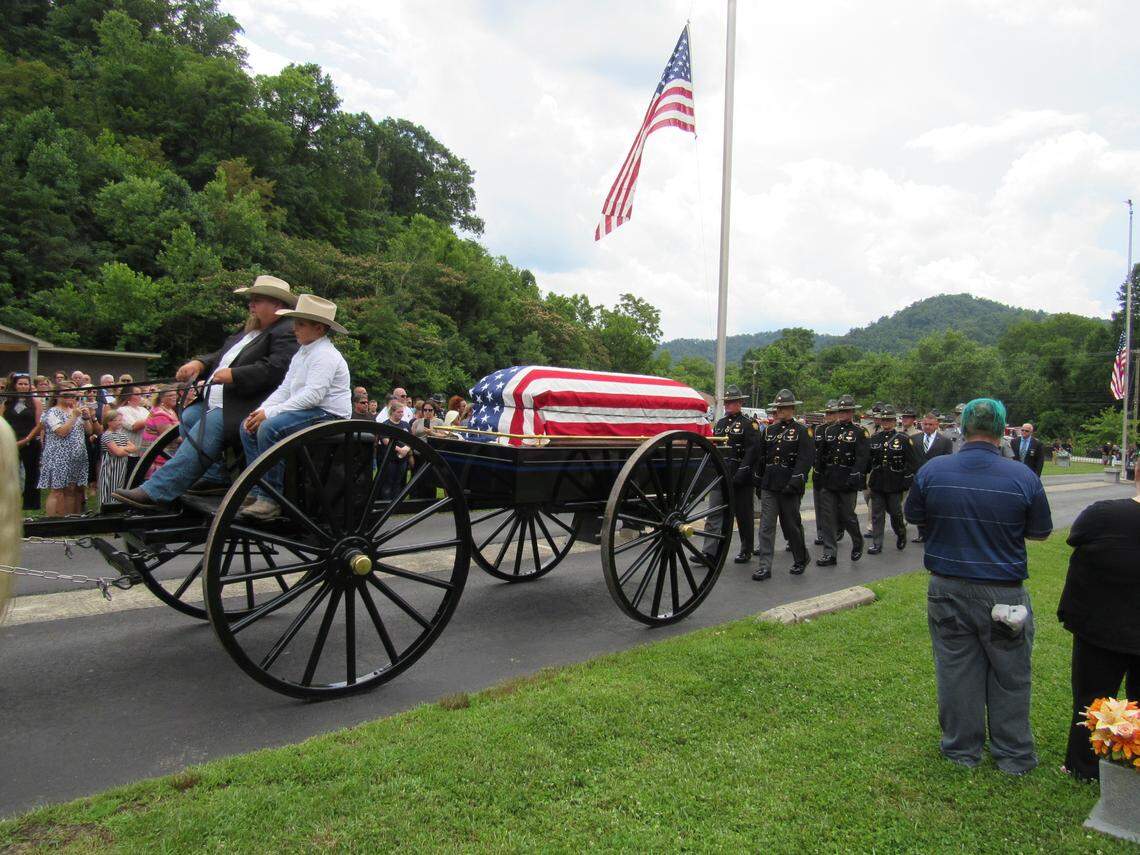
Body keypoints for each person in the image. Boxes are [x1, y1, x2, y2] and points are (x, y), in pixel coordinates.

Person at [905, 398, 1052, 775]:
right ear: (1003, 431)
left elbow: (913, 516)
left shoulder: (934, 470)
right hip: (1004, 591)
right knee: (1010, 674)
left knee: (955, 670)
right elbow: (1039, 532)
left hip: (947, 587)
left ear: (963, 429)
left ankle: (960, 751)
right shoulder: (1022, 477)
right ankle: (1014, 756)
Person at [114, 275, 300, 510]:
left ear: (277, 305)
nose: (251, 305)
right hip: (222, 402)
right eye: (251, 300)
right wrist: (199, 364)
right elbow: (222, 355)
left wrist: (235, 375)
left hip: (248, 404)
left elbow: (277, 369)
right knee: (190, 417)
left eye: (257, 300)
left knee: (207, 424)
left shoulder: (286, 331)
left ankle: (157, 490)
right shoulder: (249, 331)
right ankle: (214, 476)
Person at [236, 294, 352, 521]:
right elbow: (286, 388)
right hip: (310, 410)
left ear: (318, 328)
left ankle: (271, 500)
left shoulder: (325, 355)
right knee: (247, 426)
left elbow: (313, 396)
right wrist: (261, 410)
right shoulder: (303, 352)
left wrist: (269, 414)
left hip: (329, 414)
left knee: (270, 428)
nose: (294, 329)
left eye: (300, 324)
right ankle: (258, 489)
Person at [1057, 480, 1140, 781]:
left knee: (1092, 696)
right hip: (1106, 621)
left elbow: (1075, 537)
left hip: (1102, 623)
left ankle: (1083, 765)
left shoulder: (1103, 514)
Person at [752, 389, 813, 580]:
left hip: (789, 485)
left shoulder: (802, 431)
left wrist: (796, 481)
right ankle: (765, 566)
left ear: (792, 408)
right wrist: (758, 480)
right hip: (770, 484)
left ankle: (800, 558)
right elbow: (762, 458)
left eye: (784, 408)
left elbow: (806, 459)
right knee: (766, 526)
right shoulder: (770, 431)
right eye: (778, 408)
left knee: (791, 526)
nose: (781, 411)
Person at [701, 385, 761, 565]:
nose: (728, 405)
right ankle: (709, 552)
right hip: (721, 476)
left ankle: (746, 549)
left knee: (743, 515)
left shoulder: (749, 424)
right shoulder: (720, 424)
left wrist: (742, 473)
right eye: (726, 402)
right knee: (714, 514)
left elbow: (752, 452)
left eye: (732, 402)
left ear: (740, 403)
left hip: (740, 477)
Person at [816, 395, 869, 566]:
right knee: (827, 517)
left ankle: (857, 540)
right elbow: (822, 455)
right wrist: (819, 473)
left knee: (847, 516)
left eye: (846, 411)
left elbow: (862, 458)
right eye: (841, 411)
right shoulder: (829, 431)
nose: (843, 414)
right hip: (830, 478)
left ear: (852, 412)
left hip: (847, 480)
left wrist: (856, 476)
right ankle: (830, 553)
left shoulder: (859, 432)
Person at [867, 405, 919, 554]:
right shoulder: (875, 438)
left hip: (895, 482)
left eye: (889, 420)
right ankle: (877, 543)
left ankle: (900, 533)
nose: (886, 423)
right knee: (877, 514)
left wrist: (907, 480)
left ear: (894, 421)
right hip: (878, 481)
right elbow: (869, 460)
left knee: (895, 513)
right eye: (884, 420)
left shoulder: (903, 439)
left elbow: (912, 463)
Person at [38, 381, 93, 516]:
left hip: (77, 456)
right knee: (57, 490)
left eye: (73, 393)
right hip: (58, 456)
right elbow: (62, 432)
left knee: (72, 489)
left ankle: (70, 519)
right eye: (66, 393)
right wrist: (74, 416)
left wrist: (86, 418)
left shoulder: (75, 410)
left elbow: (89, 431)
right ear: (56, 395)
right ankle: (54, 521)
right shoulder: (52, 412)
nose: (70, 396)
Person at [1, 372, 43, 510]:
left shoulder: (35, 401)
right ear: (15, 385)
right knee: (8, 472)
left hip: (30, 441)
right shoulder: (7, 402)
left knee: (32, 473)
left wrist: (27, 439)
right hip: (10, 441)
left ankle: (31, 504)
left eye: (26, 384)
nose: (23, 386)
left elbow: (39, 424)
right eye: (20, 384)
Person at [911, 412, 953, 543]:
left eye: (930, 424)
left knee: (933, 506)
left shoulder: (945, 441)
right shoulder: (914, 439)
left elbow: (947, 460)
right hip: (918, 477)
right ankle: (921, 534)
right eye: (925, 424)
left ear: (936, 425)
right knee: (920, 505)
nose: (927, 426)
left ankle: (934, 532)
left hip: (936, 479)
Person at [97, 408, 137, 509]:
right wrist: (124, 450)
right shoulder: (106, 436)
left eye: (121, 420)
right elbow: (118, 452)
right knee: (108, 488)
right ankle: (105, 510)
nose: (120, 423)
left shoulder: (122, 435)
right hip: (110, 467)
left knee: (118, 488)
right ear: (109, 422)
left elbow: (134, 448)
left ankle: (115, 508)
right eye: (117, 420)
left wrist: (121, 448)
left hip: (121, 467)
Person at [812, 400, 837, 547]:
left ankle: (834, 531)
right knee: (819, 505)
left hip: (834, 473)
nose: (829, 416)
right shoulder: (819, 429)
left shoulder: (840, 430)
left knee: (833, 507)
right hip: (819, 472)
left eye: (832, 413)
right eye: (827, 413)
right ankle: (820, 532)